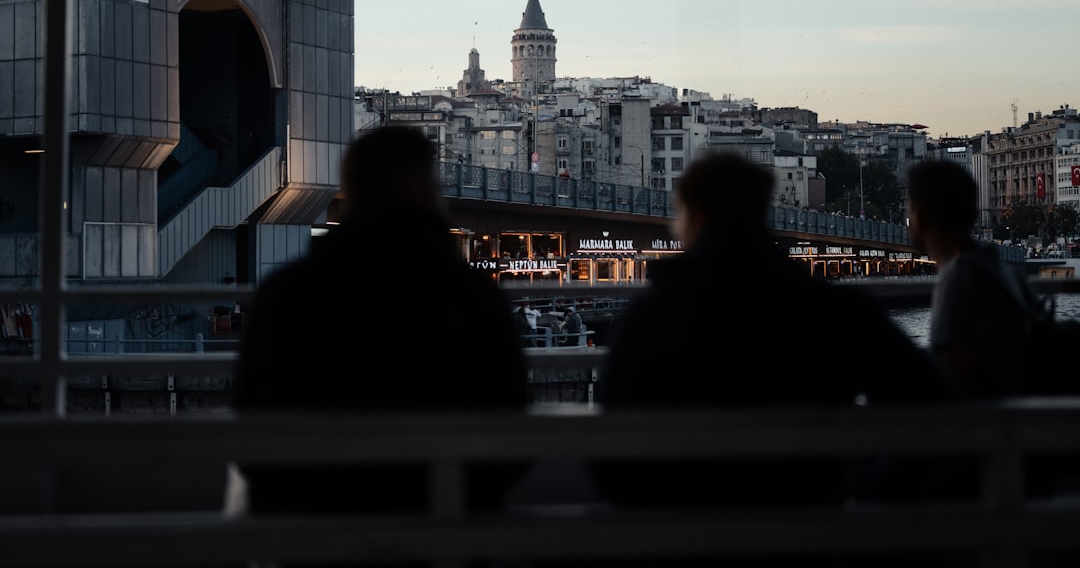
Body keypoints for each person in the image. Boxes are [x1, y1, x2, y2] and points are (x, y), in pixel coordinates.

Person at [591, 151, 954, 563]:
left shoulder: (649, 318)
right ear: (762, 211)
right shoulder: (835, 312)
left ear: (694, 216)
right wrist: (867, 482)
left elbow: (610, 453)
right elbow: (929, 402)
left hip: (687, 534)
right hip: (811, 525)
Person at [231, 126, 528, 535]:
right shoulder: (470, 295)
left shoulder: (288, 292)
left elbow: (252, 418)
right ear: (426, 190)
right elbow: (511, 422)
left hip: (314, 521)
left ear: (353, 188)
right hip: (444, 514)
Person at [907, 159, 1042, 398]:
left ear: (920, 216)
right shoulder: (1004, 271)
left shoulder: (959, 281)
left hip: (995, 416)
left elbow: (956, 385)